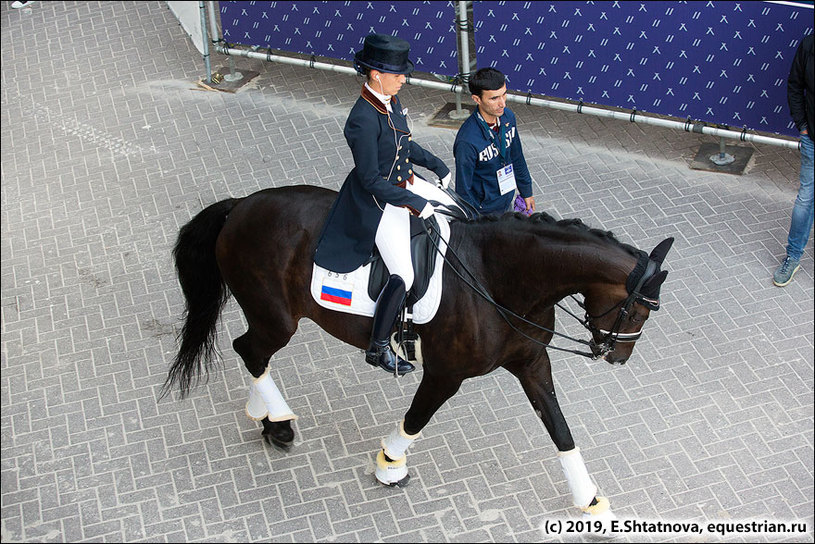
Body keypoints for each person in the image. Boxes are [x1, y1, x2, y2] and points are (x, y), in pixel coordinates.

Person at [314, 33, 455, 375]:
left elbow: (403, 145)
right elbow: (371, 180)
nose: (404, 78)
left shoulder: (388, 102)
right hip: (378, 203)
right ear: (376, 74)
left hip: (403, 185)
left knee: (453, 214)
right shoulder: (362, 118)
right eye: (398, 74)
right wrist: (414, 202)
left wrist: (436, 164)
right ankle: (377, 348)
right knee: (403, 273)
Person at [453, 67, 535, 216]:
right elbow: (463, 189)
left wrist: (526, 191)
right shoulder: (467, 141)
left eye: (504, 95)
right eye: (494, 98)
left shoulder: (508, 117)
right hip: (484, 213)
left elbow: (517, 157)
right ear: (477, 99)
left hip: (506, 201)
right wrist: (474, 223)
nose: (502, 103)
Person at [774, 33, 814, 287]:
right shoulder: (809, 44)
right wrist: (803, 125)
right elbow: (794, 84)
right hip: (813, 138)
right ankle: (793, 257)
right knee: (805, 199)